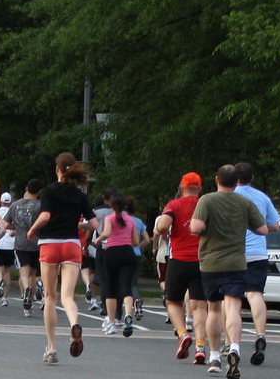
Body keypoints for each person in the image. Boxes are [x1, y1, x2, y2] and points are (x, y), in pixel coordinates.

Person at [185, 164, 255, 379]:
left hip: (211, 262)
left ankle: (214, 357)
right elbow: (263, 228)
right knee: (233, 306)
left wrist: (196, 227)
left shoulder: (206, 200)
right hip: (236, 263)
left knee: (213, 309)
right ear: (237, 182)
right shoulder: (245, 202)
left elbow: (196, 227)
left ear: (217, 179)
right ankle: (234, 346)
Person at [27, 153, 94, 364]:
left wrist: (32, 229)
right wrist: (80, 226)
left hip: (50, 244)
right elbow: (94, 224)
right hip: (72, 244)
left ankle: (51, 347)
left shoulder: (48, 191)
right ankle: (74, 322)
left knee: (50, 296)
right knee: (68, 297)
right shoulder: (79, 193)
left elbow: (45, 215)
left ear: (57, 169)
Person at [232, 160, 280, 368]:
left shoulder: (229, 196)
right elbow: (275, 226)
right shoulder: (262, 197)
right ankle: (260, 334)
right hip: (258, 254)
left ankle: (231, 343)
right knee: (255, 295)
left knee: (232, 299)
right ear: (252, 178)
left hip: (234, 253)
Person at [155, 173, 206, 361]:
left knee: (173, 302)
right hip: (202, 261)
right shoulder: (205, 204)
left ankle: (183, 333)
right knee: (200, 306)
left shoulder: (174, 205)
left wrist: (166, 233)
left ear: (182, 187)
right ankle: (201, 346)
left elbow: (162, 225)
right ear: (199, 188)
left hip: (178, 261)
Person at [97, 193, 144, 336]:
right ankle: (128, 315)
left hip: (112, 253)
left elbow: (107, 232)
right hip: (128, 253)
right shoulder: (130, 220)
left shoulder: (109, 218)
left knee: (111, 287)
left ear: (111, 206)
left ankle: (111, 323)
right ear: (125, 206)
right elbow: (136, 241)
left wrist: (97, 240)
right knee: (126, 287)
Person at [8, 180, 44, 313]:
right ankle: (31, 299)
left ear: (26, 188)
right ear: (39, 191)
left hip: (20, 243)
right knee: (33, 274)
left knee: (23, 272)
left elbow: (7, 224)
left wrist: (16, 227)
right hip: (37, 243)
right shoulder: (41, 206)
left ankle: (26, 291)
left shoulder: (15, 205)